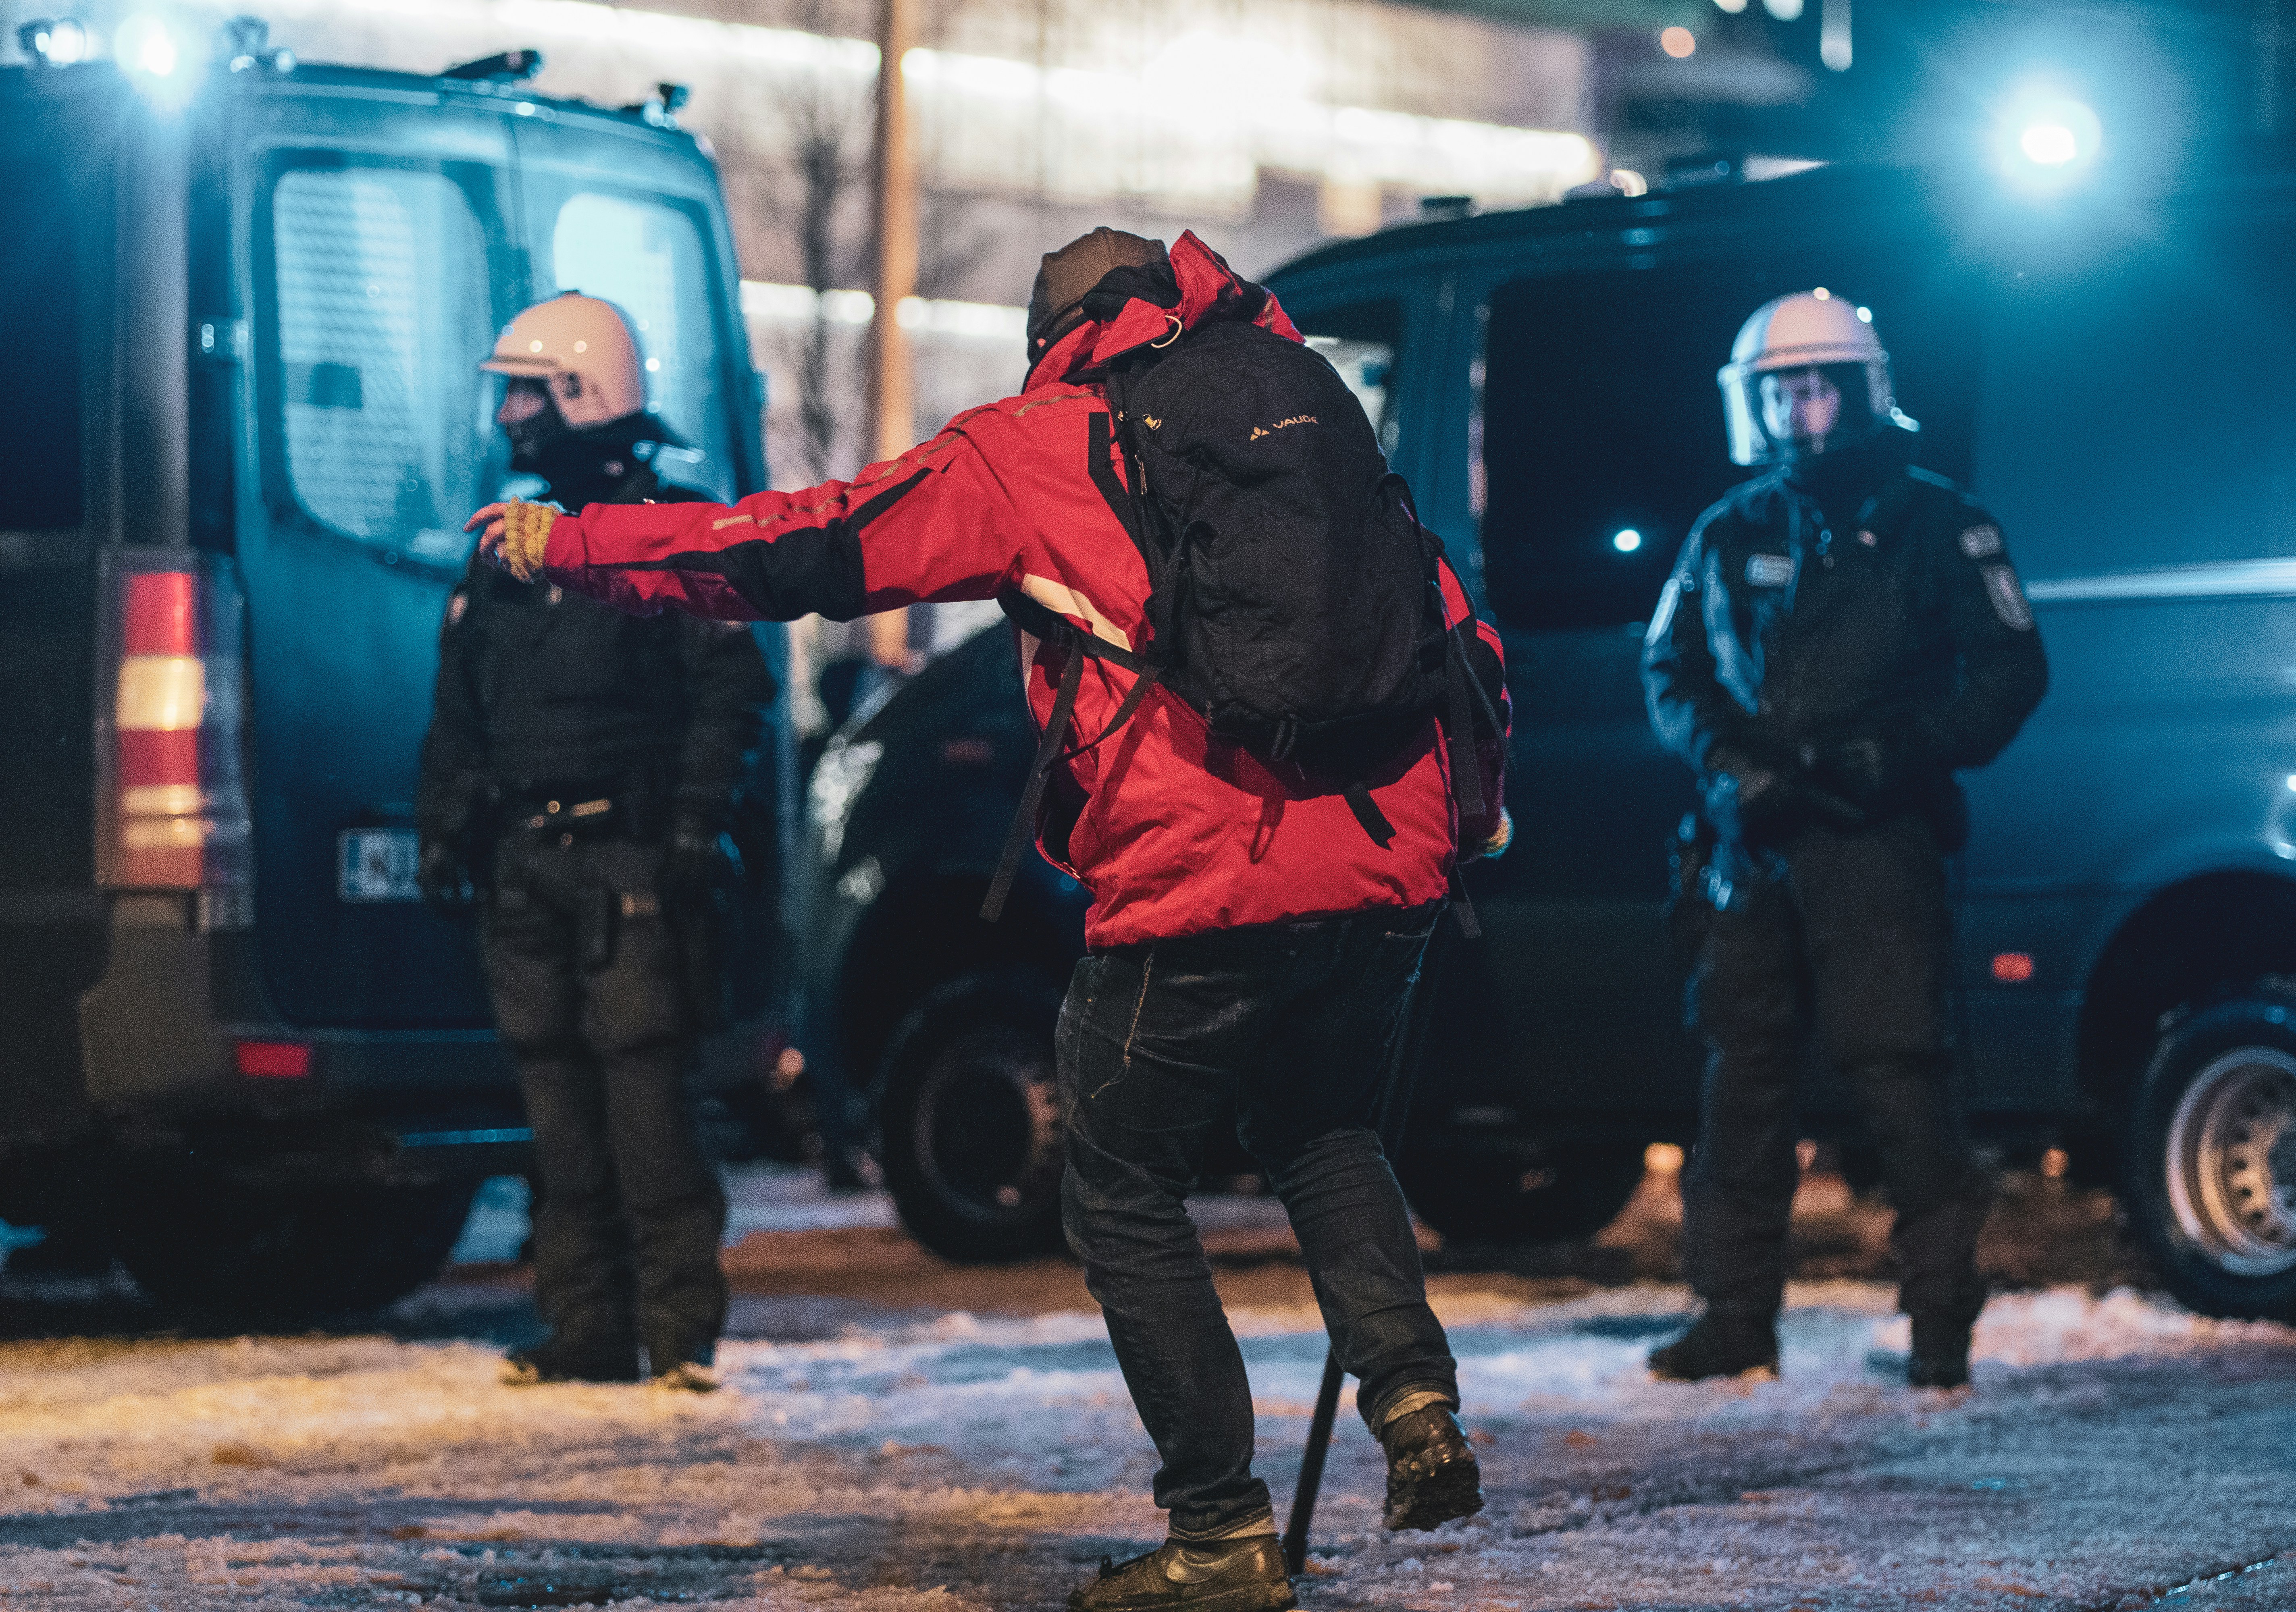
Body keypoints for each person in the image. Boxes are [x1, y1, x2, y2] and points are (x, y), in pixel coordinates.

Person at [467, 229, 1510, 1612]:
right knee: (1324, 1132)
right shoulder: (1306, 418)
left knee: (1123, 1182)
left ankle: (1218, 1532)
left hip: (1198, 881)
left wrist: (591, 547)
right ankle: (1416, 1400)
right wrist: (1466, 826)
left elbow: (812, 546)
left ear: (1056, 333)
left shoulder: (1036, 447)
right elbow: (1456, 634)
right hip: (1386, 871)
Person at [1641, 289, 2048, 1391]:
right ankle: (1733, 1319)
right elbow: (1669, 673)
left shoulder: (1938, 522)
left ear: (1865, 391)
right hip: (1752, 844)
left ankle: (1940, 1325)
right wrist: (1731, 770)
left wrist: (1903, 754)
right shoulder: (1730, 529)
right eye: (1782, 390)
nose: (1801, 409)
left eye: (1819, 385)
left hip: (1878, 844)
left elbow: (2011, 672)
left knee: (1900, 1077)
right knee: (1742, 1085)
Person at [417, 293, 774, 1392]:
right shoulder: (509, 550)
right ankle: (584, 1330)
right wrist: (447, 830)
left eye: (528, 391)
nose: (512, 414)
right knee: (557, 1116)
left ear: (586, 394)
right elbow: (461, 709)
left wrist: (684, 833)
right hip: (528, 867)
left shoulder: (676, 531)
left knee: (646, 1109)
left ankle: (678, 1340)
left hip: (629, 865)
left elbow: (729, 698)